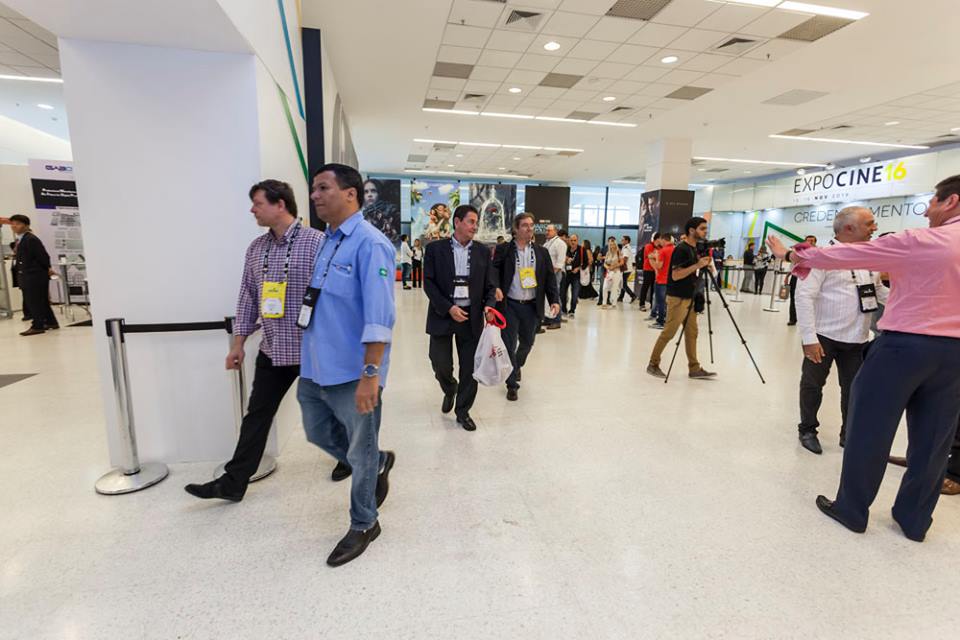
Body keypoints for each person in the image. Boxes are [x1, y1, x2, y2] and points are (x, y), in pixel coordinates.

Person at [767, 174, 960, 542]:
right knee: (936, 440)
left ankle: (852, 509)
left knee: (869, 427)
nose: (927, 210)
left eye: (932, 202)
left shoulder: (922, 240)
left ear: (950, 202)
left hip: (904, 347)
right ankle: (915, 519)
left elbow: (846, 254)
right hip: (953, 355)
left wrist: (794, 253)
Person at [184, 179, 334, 502]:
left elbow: (333, 296)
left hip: (312, 348)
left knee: (332, 412)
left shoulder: (317, 243)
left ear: (280, 204)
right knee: (257, 415)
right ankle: (234, 482)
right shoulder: (256, 249)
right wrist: (237, 343)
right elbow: (248, 298)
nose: (252, 209)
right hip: (273, 348)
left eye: (258, 203)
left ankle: (355, 460)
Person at [298, 163, 397, 566]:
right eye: (314, 189)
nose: (315, 195)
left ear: (351, 194)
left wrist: (370, 377)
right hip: (315, 367)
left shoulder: (371, 245)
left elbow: (379, 317)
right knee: (317, 433)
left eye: (323, 188)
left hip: (354, 372)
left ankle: (364, 523)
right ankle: (376, 461)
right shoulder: (329, 240)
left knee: (360, 449)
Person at [793, 207, 887, 455]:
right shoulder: (821, 257)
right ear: (849, 228)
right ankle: (807, 429)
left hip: (858, 338)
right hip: (823, 336)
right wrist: (809, 338)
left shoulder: (870, 257)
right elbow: (804, 297)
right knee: (813, 385)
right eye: (869, 223)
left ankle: (849, 434)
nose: (874, 228)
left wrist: (908, 299)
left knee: (854, 389)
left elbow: (876, 291)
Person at [423, 205, 496, 432]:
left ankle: (463, 411)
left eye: (476, 222)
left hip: (471, 318)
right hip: (443, 315)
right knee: (440, 363)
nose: (475, 226)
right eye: (471, 221)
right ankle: (449, 388)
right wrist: (448, 308)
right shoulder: (435, 249)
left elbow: (490, 286)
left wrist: (490, 306)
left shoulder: (483, 252)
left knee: (469, 368)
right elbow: (429, 284)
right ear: (457, 222)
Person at [492, 213, 560, 401]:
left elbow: (550, 279)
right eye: (525, 225)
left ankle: (516, 365)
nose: (529, 229)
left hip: (531, 306)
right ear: (515, 229)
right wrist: (496, 287)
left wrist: (555, 300)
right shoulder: (504, 250)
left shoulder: (541, 252)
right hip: (510, 305)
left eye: (531, 225)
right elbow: (494, 271)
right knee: (509, 343)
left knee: (528, 342)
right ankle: (512, 384)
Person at [646, 218, 716, 379]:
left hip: (689, 297)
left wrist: (702, 264)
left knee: (692, 333)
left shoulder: (693, 249)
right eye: (702, 228)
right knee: (669, 333)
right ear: (692, 230)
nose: (705, 231)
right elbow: (676, 275)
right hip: (678, 298)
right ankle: (653, 364)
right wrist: (697, 265)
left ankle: (694, 368)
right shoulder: (682, 249)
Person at [5, 214, 58, 335]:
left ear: (26, 225)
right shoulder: (21, 239)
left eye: (18, 223)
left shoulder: (30, 239)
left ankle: (38, 326)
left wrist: (46, 269)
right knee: (42, 301)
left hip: (34, 276)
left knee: (33, 301)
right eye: (12, 224)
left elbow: (43, 257)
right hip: (30, 275)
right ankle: (51, 322)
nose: (14, 226)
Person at [787, 235, 818, 325]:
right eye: (808, 241)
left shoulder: (818, 252)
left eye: (812, 241)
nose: (810, 242)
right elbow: (792, 265)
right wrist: (787, 276)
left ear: (815, 242)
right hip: (796, 276)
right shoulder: (798, 252)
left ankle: (809, 321)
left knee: (809, 300)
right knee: (793, 298)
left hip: (811, 278)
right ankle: (792, 319)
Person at [361, 179, 400, 244]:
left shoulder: (391, 210)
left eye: (373, 191)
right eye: (366, 192)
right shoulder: (363, 214)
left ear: (379, 193)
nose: (369, 195)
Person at [543, 225, 567, 330]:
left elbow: (560, 262)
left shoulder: (560, 243)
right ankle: (549, 318)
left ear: (555, 231)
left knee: (555, 295)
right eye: (546, 230)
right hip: (547, 274)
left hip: (554, 274)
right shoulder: (547, 242)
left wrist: (551, 274)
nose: (547, 232)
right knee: (548, 297)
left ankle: (557, 320)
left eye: (549, 230)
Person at [647, 235, 674, 329]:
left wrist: (651, 259)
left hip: (662, 279)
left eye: (660, 240)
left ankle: (661, 322)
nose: (659, 242)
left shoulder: (663, 251)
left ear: (663, 240)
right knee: (667, 302)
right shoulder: (674, 249)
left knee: (661, 302)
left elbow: (658, 266)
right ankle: (665, 320)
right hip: (671, 280)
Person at [561, 234, 589, 317]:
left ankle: (572, 310)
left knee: (575, 294)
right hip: (566, 274)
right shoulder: (566, 249)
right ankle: (564, 309)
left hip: (576, 275)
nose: (573, 242)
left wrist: (578, 268)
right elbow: (560, 259)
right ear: (569, 240)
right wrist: (566, 259)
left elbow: (586, 262)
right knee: (562, 293)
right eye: (571, 240)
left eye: (575, 240)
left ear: (577, 240)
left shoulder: (581, 249)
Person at [637, 234, 659, 312]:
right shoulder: (649, 246)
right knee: (645, 287)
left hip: (656, 270)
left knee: (654, 288)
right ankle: (641, 304)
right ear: (657, 239)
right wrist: (657, 255)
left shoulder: (659, 247)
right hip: (648, 269)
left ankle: (652, 304)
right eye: (660, 239)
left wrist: (656, 255)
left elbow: (656, 256)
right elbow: (650, 256)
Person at [601, 237, 622, 308]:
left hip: (617, 272)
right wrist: (608, 267)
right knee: (605, 287)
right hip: (609, 272)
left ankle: (614, 303)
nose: (612, 246)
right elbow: (604, 263)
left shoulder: (619, 252)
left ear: (615, 245)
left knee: (614, 288)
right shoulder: (608, 253)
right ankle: (604, 303)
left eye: (613, 244)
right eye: (610, 244)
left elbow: (622, 262)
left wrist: (615, 266)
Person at [617, 235, 637, 304]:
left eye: (623, 240)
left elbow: (625, 258)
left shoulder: (626, 248)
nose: (621, 241)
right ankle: (620, 297)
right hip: (627, 268)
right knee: (623, 283)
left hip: (626, 269)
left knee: (624, 284)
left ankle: (633, 295)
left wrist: (620, 264)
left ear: (627, 241)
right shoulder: (626, 247)